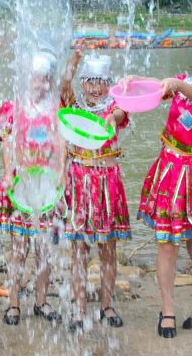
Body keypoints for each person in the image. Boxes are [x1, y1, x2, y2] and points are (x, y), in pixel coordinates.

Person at [128, 39, 192, 339]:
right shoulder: (180, 83)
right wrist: (133, 81)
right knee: (166, 243)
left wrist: (176, 84)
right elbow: (156, 88)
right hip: (169, 170)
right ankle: (168, 309)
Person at [0, 51, 66, 326]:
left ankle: (41, 301)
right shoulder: (13, 105)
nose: (39, 82)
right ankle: (13, 303)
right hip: (21, 183)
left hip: (46, 186)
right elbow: (6, 142)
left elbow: (62, 143)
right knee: (19, 248)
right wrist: (9, 173)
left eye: (45, 77)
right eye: (35, 76)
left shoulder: (56, 107)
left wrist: (61, 173)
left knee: (44, 249)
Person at [59, 47, 130, 331]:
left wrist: (113, 117)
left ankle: (107, 305)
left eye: (101, 81)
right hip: (78, 180)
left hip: (107, 180)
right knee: (79, 248)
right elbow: (63, 85)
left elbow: (122, 113)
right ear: (83, 83)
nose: (96, 87)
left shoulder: (115, 107)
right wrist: (75, 59)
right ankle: (78, 307)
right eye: (90, 81)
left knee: (108, 248)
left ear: (109, 83)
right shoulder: (74, 106)